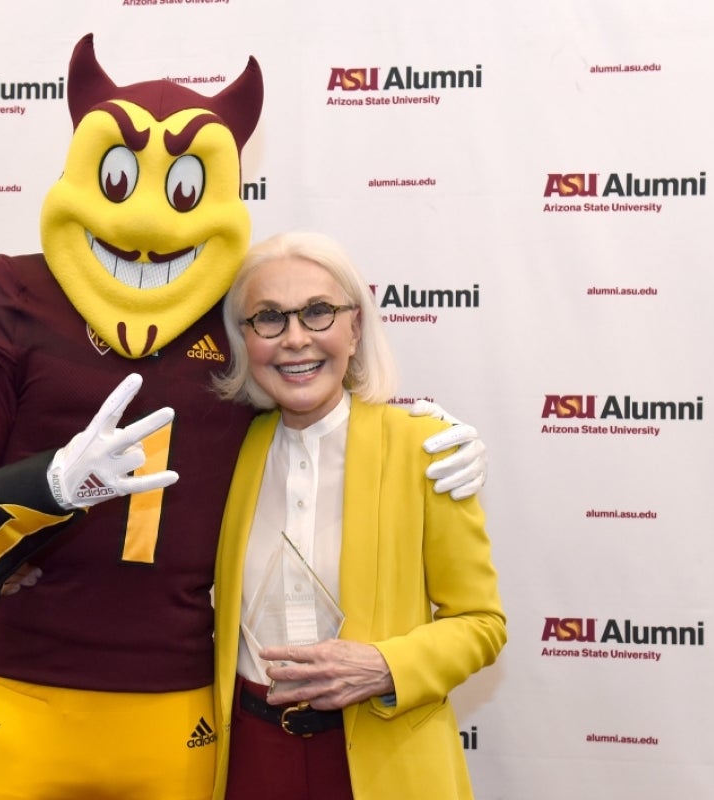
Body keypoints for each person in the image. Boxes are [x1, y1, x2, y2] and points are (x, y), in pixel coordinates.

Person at [0, 35, 488, 800]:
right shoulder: (20, 296)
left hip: (182, 703)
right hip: (31, 686)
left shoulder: (228, 320)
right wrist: (42, 487)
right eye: (119, 179)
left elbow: (314, 392)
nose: (147, 220)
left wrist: (429, 435)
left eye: (181, 187)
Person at [211, 231, 507, 800]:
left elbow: (481, 623)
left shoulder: (426, 450)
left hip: (384, 755)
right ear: (244, 340)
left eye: (318, 312)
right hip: (250, 756)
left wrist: (384, 665)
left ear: (355, 328)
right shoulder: (226, 453)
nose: (296, 339)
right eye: (268, 318)